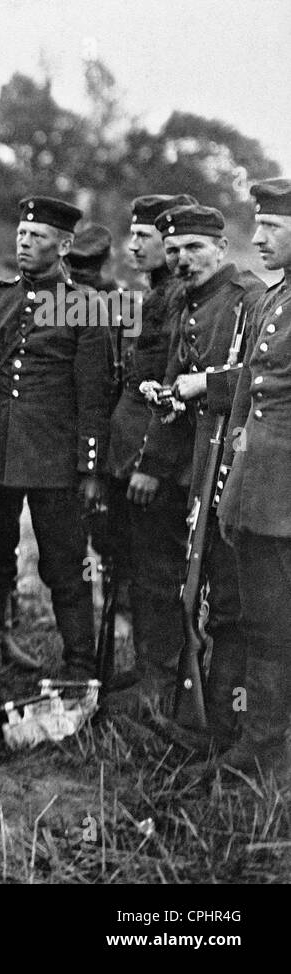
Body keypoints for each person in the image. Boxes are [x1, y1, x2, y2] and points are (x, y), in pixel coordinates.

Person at [0, 196, 112, 680]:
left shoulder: (89, 308)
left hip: (54, 458)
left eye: (37, 237)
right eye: (21, 235)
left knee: (64, 565)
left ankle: (80, 664)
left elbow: (94, 397)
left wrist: (89, 469)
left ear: (63, 246)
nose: (24, 244)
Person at [141, 203, 264, 748]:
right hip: (198, 472)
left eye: (193, 248)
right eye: (173, 251)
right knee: (201, 595)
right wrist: (168, 399)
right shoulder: (186, 302)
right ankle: (205, 719)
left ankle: (228, 725)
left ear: (220, 247)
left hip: (242, 472)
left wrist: (202, 388)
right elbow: (177, 380)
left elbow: (264, 376)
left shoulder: (250, 300)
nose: (182, 260)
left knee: (234, 607)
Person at [206, 177, 291, 784]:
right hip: (260, 488)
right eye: (258, 224)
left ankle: (263, 745)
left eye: (273, 228)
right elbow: (244, 391)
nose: (257, 238)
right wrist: (235, 464)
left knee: (276, 622)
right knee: (265, 619)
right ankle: (260, 742)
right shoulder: (272, 298)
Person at [102, 194, 195, 711]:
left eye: (145, 237)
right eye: (133, 234)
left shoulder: (178, 299)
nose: (133, 244)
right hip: (131, 453)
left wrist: (151, 464)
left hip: (154, 462)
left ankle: (160, 679)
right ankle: (147, 668)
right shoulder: (157, 295)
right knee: (137, 565)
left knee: (157, 570)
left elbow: (170, 388)